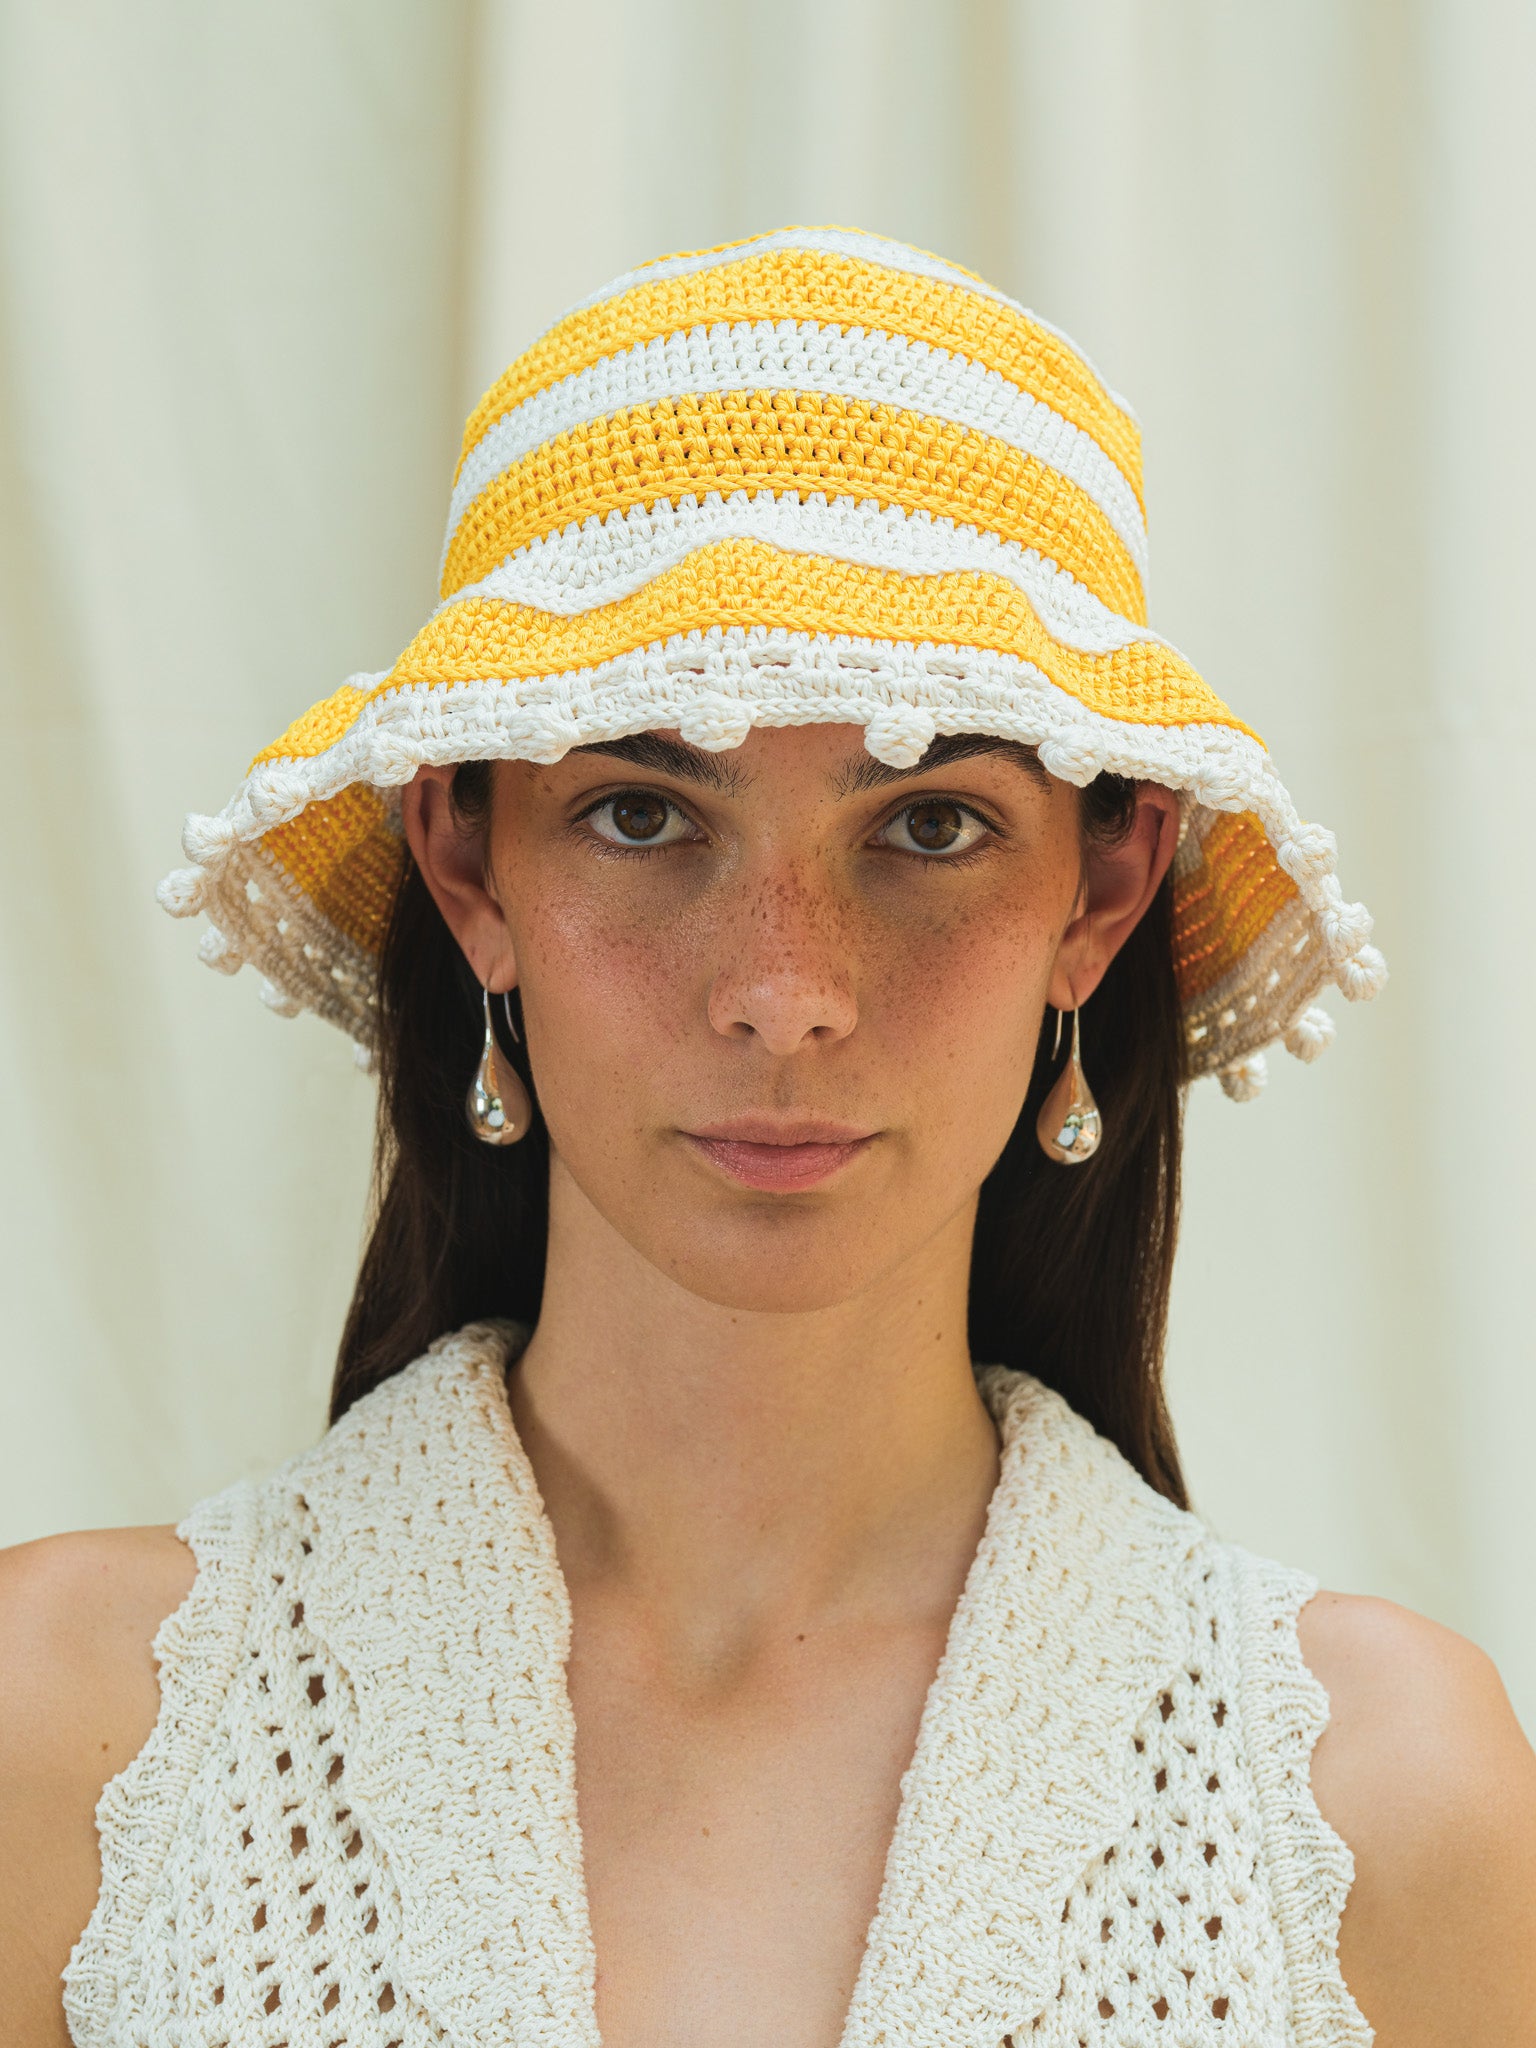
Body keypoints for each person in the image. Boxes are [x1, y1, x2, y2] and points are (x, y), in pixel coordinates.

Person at [3, 228, 1532, 2048]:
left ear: (1103, 889)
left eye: (933, 825)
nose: (783, 993)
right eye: (645, 815)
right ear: (469, 864)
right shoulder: (73, 1735)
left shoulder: (1381, 1810)